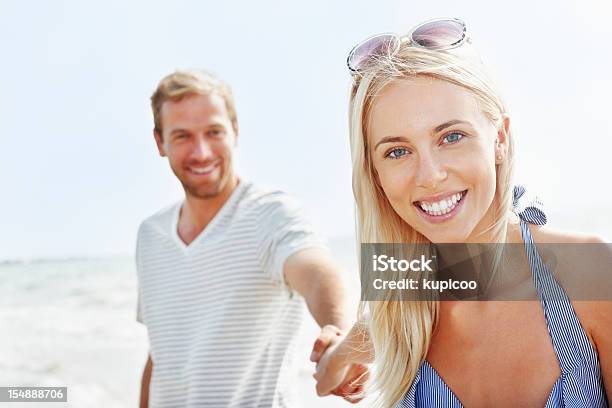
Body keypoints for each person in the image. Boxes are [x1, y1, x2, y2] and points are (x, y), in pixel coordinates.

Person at [311, 17, 611, 408]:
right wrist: (344, 347)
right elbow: (324, 379)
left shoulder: (591, 275)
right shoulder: (401, 294)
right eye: (397, 151)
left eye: (451, 136)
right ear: (375, 174)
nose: (430, 176)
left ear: (499, 139)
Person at [135, 69, 365, 407]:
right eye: (182, 136)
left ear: (234, 131)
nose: (201, 152)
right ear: (160, 142)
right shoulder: (150, 236)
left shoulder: (270, 214)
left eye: (213, 132)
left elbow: (319, 273)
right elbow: (160, 355)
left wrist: (338, 339)